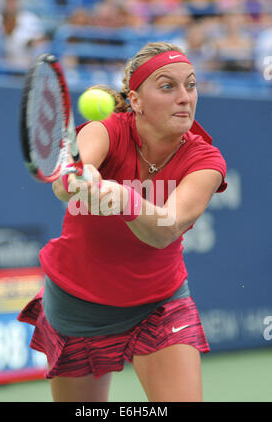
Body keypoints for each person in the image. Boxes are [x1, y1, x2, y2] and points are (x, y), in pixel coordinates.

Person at [18, 41, 227, 402]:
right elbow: (67, 182)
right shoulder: (106, 130)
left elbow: (167, 228)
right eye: (167, 86)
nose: (184, 97)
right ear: (136, 100)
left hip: (159, 303)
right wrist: (76, 181)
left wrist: (125, 199)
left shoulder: (205, 159)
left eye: (190, 85)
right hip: (77, 304)